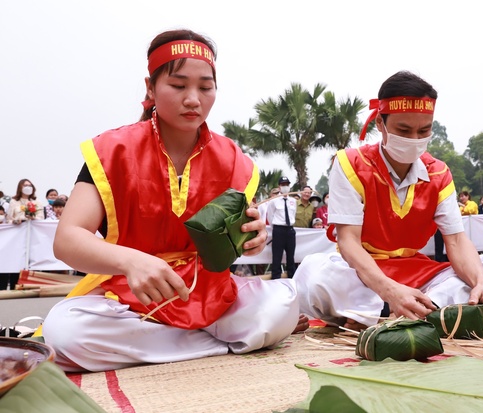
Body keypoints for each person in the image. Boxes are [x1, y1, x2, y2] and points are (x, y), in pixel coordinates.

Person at [42, 29, 305, 373]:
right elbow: (68, 239)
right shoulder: (111, 151)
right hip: (129, 296)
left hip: (209, 293)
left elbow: (241, 237)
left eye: (205, 87)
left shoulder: (234, 160)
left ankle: (170, 346)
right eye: (179, 86)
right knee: (64, 331)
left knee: (282, 303)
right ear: (150, 88)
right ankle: (217, 346)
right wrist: (132, 262)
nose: (193, 99)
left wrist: (251, 239)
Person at [294, 71, 483, 335]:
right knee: (314, 274)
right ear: (380, 122)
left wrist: (480, 282)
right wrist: (390, 291)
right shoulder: (350, 163)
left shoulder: (439, 173)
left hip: (416, 271)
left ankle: (388, 315)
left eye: (424, 130)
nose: (414, 139)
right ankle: (416, 313)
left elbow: (456, 241)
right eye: (403, 130)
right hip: (361, 272)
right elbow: (348, 242)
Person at [266, 176, 297, 279]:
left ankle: (291, 277)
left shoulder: (293, 200)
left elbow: (293, 215)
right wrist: (275, 227)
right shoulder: (274, 201)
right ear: (279, 187)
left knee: (291, 256)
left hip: (290, 230)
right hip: (279, 230)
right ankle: (276, 278)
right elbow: (270, 216)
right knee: (277, 256)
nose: (285, 187)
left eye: (287, 185)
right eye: (283, 185)